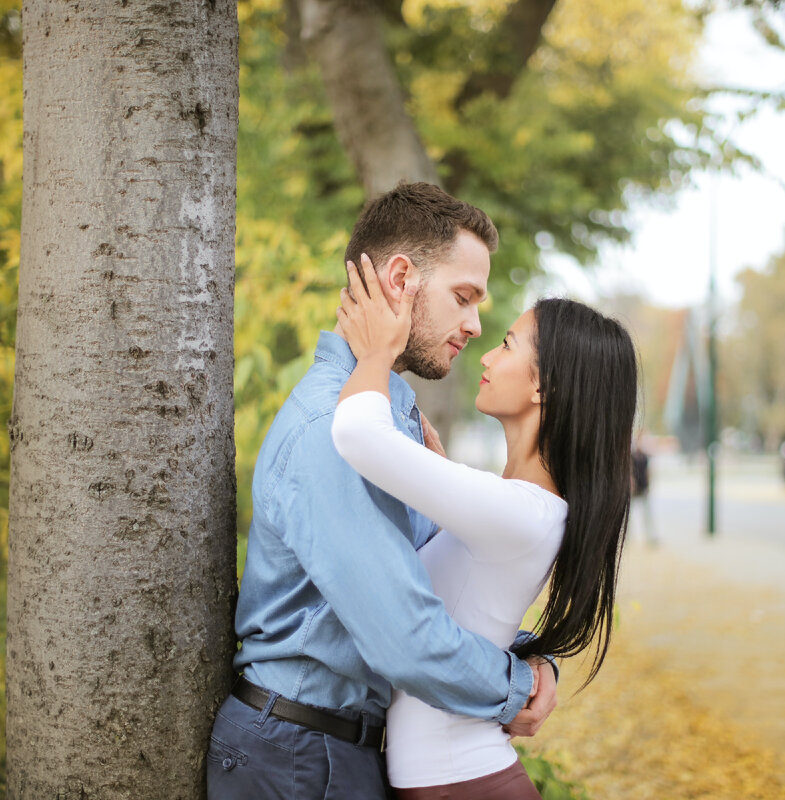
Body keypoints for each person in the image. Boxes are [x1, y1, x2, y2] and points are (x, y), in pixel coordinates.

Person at [206, 183, 557, 799]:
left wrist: (531, 656)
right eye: (463, 297)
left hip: (330, 748)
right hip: (300, 756)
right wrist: (515, 686)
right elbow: (407, 637)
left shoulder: (388, 417)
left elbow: (436, 584)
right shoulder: (333, 430)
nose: (475, 325)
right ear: (400, 279)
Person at [331, 260, 637, 799]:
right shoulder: (520, 509)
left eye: (507, 344)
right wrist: (533, 660)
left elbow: (357, 432)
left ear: (545, 385)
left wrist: (378, 353)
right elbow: (469, 616)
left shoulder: (519, 513)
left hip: (463, 782)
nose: (488, 356)